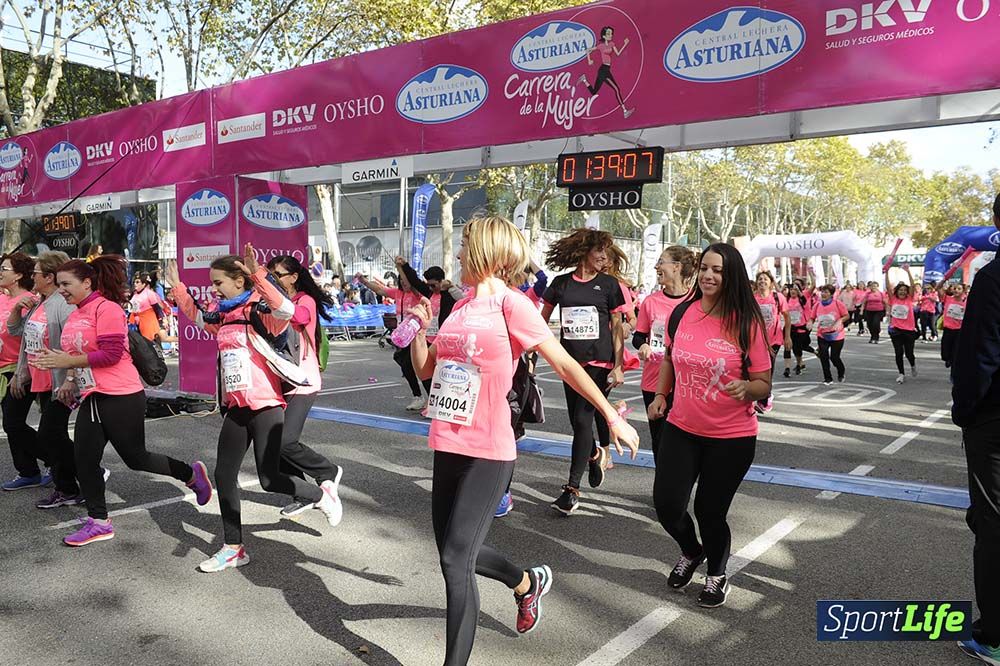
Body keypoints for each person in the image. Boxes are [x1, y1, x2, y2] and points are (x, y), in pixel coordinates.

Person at [408, 216, 640, 665]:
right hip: (447, 442)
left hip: (489, 450)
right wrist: (419, 330)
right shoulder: (459, 308)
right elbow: (425, 370)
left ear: (486, 252)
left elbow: (566, 365)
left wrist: (611, 415)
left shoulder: (513, 306)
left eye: (464, 245)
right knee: (455, 554)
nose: (457, 254)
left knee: (456, 561)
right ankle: (527, 583)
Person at [168, 245, 339, 572]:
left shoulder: (259, 312)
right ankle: (233, 547)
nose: (213, 289)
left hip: (265, 406)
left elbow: (284, 310)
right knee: (223, 474)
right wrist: (178, 288)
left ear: (238, 281)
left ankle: (320, 495)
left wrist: (257, 273)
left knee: (270, 479)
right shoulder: (225, 316)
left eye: (218, 282)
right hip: (236, 408)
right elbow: (198, 316)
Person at [30, 255, 212, 546]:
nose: (61, 289)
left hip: (122, 395)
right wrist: (70, 379)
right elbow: (81, 353)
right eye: (59, 284)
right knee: (85, 458)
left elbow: (111, 354)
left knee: (136, 458)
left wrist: (66, 360)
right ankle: (99, 522)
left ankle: (190, 474)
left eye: (66, 284)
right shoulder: (76, 313)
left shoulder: (108, 309)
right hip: (93, 395)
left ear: (87, 283)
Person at [647, 243, 772, 609]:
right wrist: (660, 396)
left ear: (731, 275)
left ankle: (717, 575)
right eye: (704, 268)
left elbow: (764, 383)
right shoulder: (683, 313)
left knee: (709, 511)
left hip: (730, 438)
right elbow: (670, 357)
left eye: (717, 270)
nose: (708, 275)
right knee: (667, 505)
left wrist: (747, 387)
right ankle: (692, 550)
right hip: (681, 427)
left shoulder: (746, 321)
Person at [540, 228, 626, 513]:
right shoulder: (561, 284)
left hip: (599, 363)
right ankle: (594, 454)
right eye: (599, 250)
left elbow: (616, 327)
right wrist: (533, 350)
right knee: (576, 422)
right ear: (584, 252)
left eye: (606, 251)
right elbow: (542, 321)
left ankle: (571, 490)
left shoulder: (609, 285)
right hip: (569, 362)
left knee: (581, 418)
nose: (604, 257)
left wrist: (618, 364)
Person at [953, 193, 1000, 665]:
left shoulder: (992, 278)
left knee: (992, 523)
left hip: (993, 419)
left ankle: (992, 635)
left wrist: (964, 409)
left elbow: (981, 357)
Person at [263, 255, 346, 521]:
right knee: (274, 445)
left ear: (293, 277)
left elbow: (295, 314)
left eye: (278, 274)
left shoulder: (303, 301)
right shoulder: (271, 304)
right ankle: (305, 493)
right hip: (280, 382)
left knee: (285, 441)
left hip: (304, 381)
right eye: (270, 274)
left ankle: (327, 471)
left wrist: (262, 283)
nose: (273, 279)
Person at [8, 251, 82, 508]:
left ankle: (86, 474)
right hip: (39, 379)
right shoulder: (38, 302)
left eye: (35, 273)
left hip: (60, 381)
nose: (32, 276)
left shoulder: (61, 305)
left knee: (51, 433)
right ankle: (68, 487)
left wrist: (70, 379)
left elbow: (73, 344)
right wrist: (21, 372)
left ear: (49, 277)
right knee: (52, 434)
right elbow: (20, 336)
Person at [633, 246, 695, 461]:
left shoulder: (696, 301)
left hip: (686, 381)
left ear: (676, 267)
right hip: (654, 380)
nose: (656, 266)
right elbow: (639, 335)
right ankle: (664, 488)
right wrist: (643, 345)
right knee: (659, 439)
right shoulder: (651, 302)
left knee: (682, 438)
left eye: (661, 262)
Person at [0, 252, 52, 491]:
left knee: (13, 422)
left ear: (18, 275)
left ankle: (59, 460)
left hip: (22, 368)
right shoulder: (2, 298)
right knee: (12, 422)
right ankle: (28, 471)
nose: (0, 272)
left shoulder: (32, 301)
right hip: (4, 368)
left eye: (5, 268)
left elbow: (25, 336)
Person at [357, 259, 431, 411]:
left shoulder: (417, 294)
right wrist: (363, 281)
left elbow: (408, 281)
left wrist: (400, 267)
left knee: (420, 368)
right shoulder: (397, 293)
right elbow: (379, 290)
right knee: (405, 366)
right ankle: (418, 396)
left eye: (406, 281)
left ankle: (431, 397)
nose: (404, 283)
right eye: (401, 281)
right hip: (402, 337)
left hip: (416, 337)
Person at [752, 271, 789, 413]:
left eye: (765, 279)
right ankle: (764, 394)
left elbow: (787, 317)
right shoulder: (753, 298)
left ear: (771, 282)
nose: (762, 281)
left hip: (774, 340)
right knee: (755, 369)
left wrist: (787, 336)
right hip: (756, 340)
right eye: (760, 279)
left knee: (768, 369)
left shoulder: (778, 297)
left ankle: (765, 399)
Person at [577, 26, 634, 118]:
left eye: (611, 33)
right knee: (616, 89)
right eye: (608, 33)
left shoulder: (612, 44)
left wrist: (625, 44)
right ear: (603, 36)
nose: (610, 35)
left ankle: (584, 80)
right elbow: (588, 50)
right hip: (603, 70)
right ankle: (624, 111)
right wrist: (589, 60)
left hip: (606, 69)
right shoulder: (601, 46)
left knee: (594, 92)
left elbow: (618, 53)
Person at [810, 284, 850, 385]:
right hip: (822, 334)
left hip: (837, 335)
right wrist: (810, 322)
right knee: (823, 356)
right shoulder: (817, 305)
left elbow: (846, 315)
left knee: (834, 357)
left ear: (831, 294)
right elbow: (812, 317)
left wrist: (839, 321)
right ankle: (828, 378)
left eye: (826, 292)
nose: (823, 294)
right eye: (822, 291)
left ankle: (841, 371)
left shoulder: (837, 304)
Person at [885, 265, 918, 384]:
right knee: (898, 352)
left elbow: (913, 286)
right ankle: (901, 374)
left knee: (909, 353)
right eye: (900, 290)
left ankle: (913, 365)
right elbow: (888, 287)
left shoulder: (909, 299)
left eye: (905, 290)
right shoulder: (893, 299)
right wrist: (887, 272)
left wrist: (908, 271)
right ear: (897, 291)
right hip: (896, 330)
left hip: (909, 330)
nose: (903, 292)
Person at [783, 284, 815, 377]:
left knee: (797, 349)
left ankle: (798, 365)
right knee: (787, 348)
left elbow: (804, 298)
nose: (793, 291)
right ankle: (787, 368)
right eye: (791, 289)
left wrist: (799, 291)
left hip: (800, 328)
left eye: (795, 289)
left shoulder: (801, 300)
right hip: (789, 328)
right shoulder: (787, 300)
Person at [129, 272, 170, 343]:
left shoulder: (149, 293)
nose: (135, 284)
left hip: (148, 320)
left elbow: (157, 308)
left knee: (149, 340)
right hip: (137, 321)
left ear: (143, 284)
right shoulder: (135, 295)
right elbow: (133, 308)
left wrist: (163, 319)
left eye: (137, 282)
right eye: (134, 282)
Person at [938, 281, 967, 368]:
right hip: (948, 329)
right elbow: (938, 288)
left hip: (959, 330)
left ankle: (954, 367)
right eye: (954, 288)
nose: (956, 290)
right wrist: (944, 279)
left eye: (959, 289)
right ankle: (948, 359)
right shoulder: (948, 299)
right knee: (945, 351)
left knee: (956, 352)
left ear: (963, 291)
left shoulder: (966, 301)